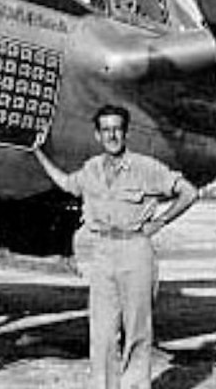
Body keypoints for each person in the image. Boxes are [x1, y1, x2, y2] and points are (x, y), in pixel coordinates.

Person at [32, 104, 198, 388]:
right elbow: (66, 183)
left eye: (117, 129)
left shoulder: (145, 168)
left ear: (125, 133)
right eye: (106, 130)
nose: (112, 135)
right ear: (98, 135)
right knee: (102, 333)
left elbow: (189, 192)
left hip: (135, 251)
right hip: (103, 253)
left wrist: (160, 222)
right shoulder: (91, 169)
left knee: (137, 330)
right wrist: (39, 154)